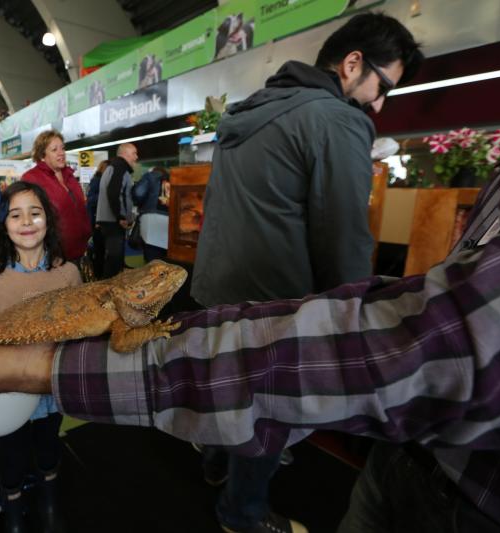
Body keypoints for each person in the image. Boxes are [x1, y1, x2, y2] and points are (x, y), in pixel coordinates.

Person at [0, 155, 500, 533]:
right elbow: (129, 336)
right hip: (406, 461)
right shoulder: (104, 303)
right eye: (153, 280)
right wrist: (150, 330)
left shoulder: (108, 294)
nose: (164, 279)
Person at [190, 12, 423, 533]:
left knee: (226, 392)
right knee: (270, 417)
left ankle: (213, 467)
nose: (380, 103)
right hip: (278, 309)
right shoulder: (337, 120)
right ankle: (242, 515)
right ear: (352, 63)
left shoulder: (255, 108)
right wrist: (352, 317)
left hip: (215, 291)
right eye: (382, 86)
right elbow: (343, 236)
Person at [0, 181, 81, 533]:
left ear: (47, 220)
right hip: (10, 391)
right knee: (13, 454)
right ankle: (13, 508)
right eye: (16, 214)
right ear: (3, 224)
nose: (26, 222)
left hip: (52, 388)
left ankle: (49, 502)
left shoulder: (68, 273)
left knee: (49, 446)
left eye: (35, 213)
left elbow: (79, 331)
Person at [21, 130, 91, 263]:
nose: (61, 153)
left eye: (63, 148)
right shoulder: (32, 178)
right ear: (42, 155)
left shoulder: (70, 176)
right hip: (52, 256)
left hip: (79, 251)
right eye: (54, 149)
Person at [96, 143, 138, 278]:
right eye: (134, 153)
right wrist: (121, 217)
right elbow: (114, 193)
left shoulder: (112, 167)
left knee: (113, 260)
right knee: (113, 262)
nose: (136, 157)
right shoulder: (119, 167)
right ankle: (106, 293)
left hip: (108, 220)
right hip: (114, 221)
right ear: (124, 154)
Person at [131, 167, 170, 263]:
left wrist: (138, 203)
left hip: (150, 219)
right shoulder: (172, 178)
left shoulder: (150, 176)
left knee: (152, 257)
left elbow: (138, 193)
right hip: (170, 220)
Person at [86, 160, 110, 277]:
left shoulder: (103, 181)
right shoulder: (97, 181)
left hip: (103, 220)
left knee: (104, 250)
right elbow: (90, 200)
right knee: (100, 250)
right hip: (98, 221)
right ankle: (99, 275)